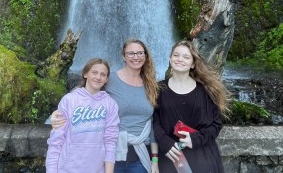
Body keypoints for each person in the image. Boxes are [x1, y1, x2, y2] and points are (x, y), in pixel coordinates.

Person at [51, 39, 160, 173]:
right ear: (123, 56)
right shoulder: (110, 79)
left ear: (146, 55)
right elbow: (83, 95)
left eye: (140, 53)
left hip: (140, 155)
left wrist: (155, 159)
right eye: (131, 53)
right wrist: (56, 115)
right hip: (112, 156)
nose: (135, 57)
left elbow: (155, 121)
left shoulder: (152, 84)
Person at [153, 40, 229, 172]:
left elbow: (216, 125)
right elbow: (154, 122)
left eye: (186, 57)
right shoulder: (158, 89)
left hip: (202, 158)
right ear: (170, 59)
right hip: (170, 158)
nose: (179, 59)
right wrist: (165, 143)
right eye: (176, 55)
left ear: (193, 64)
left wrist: (194, 139)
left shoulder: (206, 91)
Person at [45, 58, 120, 173]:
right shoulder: (69, 100)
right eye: (94, 72)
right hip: (67, 169)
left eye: (103, 74)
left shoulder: (111, 104)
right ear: (85, 74)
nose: (98, 77)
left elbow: (110, 142)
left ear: (106, 79)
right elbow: (56, 141)